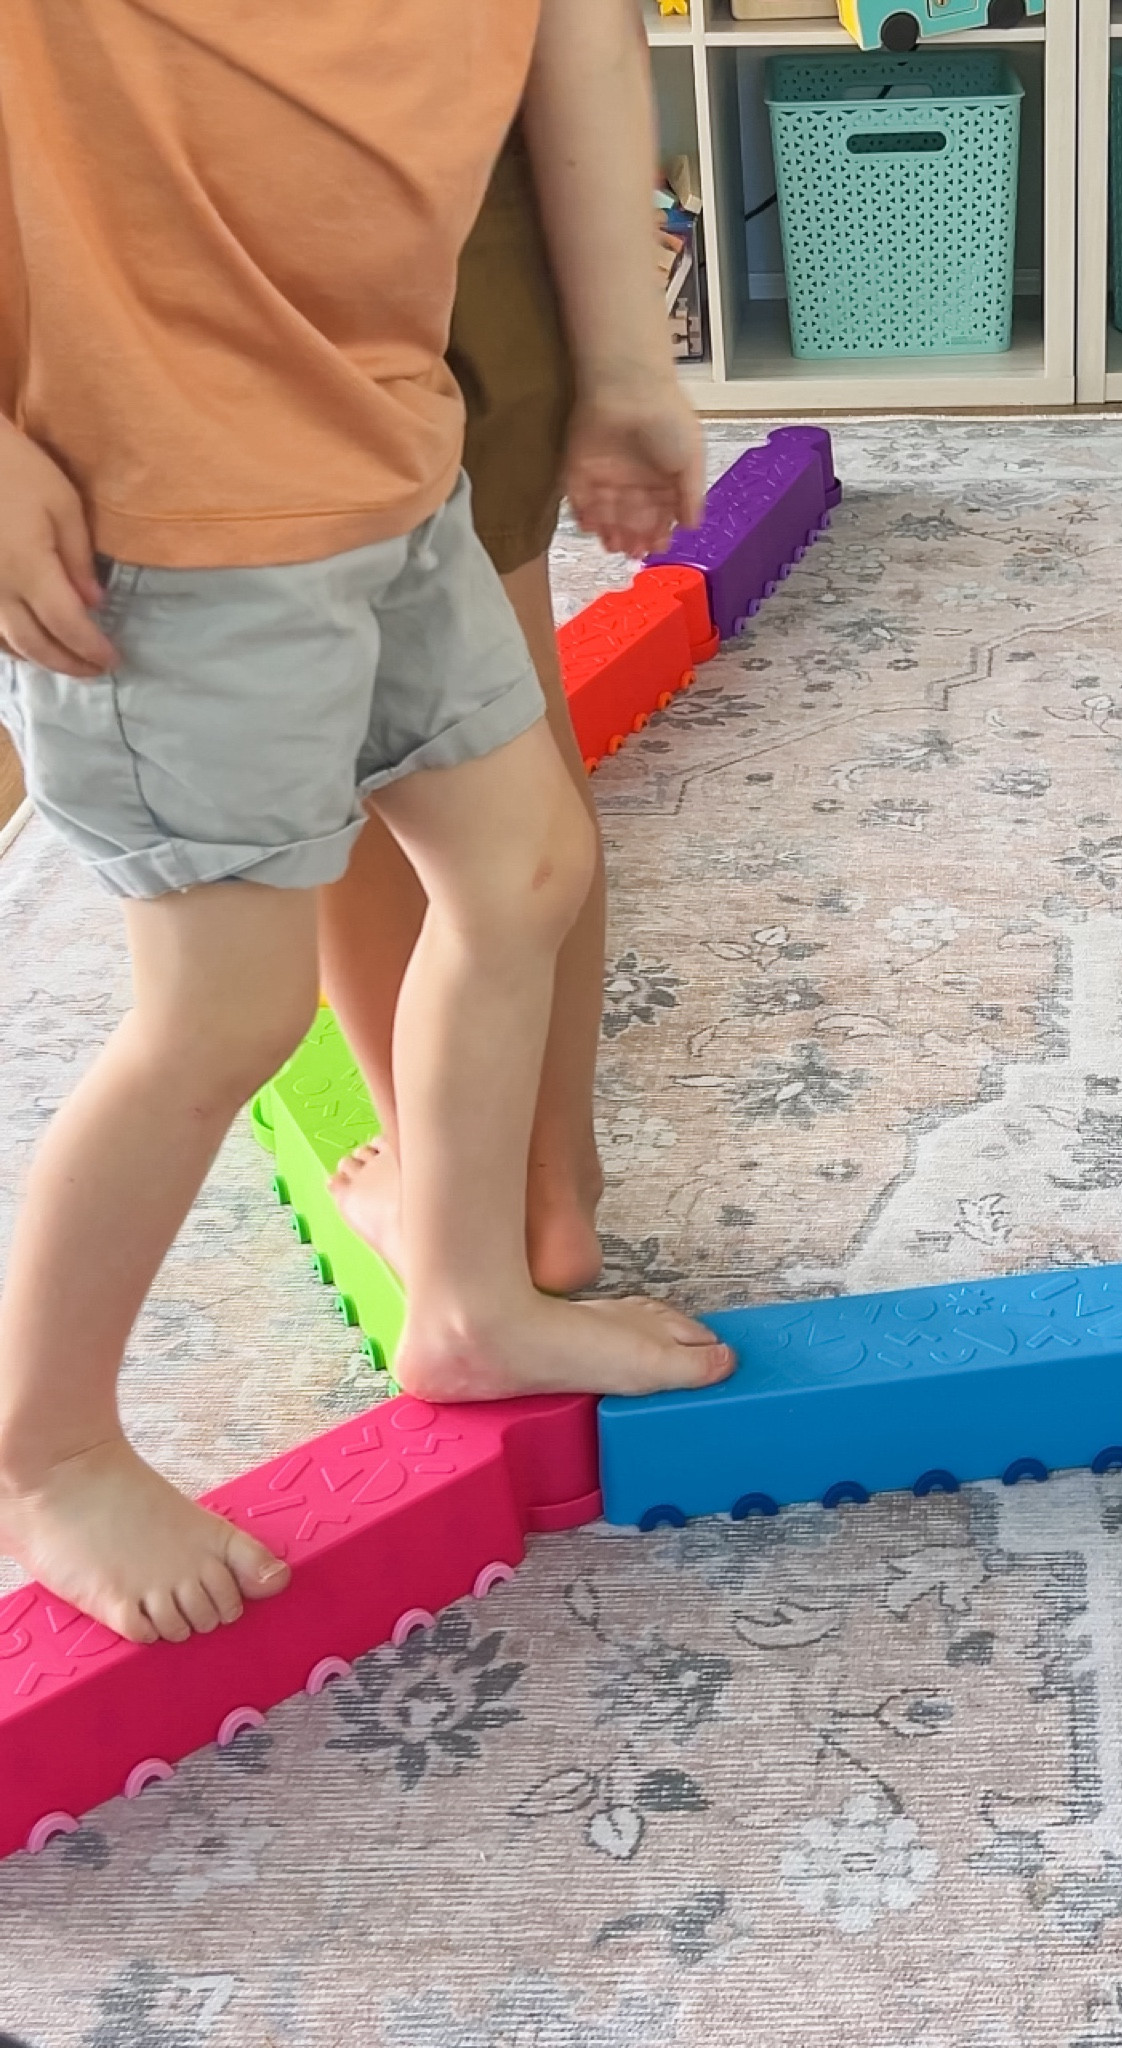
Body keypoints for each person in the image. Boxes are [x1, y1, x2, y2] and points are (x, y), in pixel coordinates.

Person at [0, 0, 734, 1651]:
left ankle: (468, 1299)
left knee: (525, 864)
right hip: (172, 526)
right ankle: (45, 1451)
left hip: (392, 455)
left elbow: (576, 46)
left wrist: (623, 371)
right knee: (223, 1008)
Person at [320, 13, 706, 1298]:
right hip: (454, 191)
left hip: (213, 244)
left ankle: (456, 1194)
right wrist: (624, 362)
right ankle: (548, 1188)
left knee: (339, 723)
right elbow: (582, 31)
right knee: (499, 700)